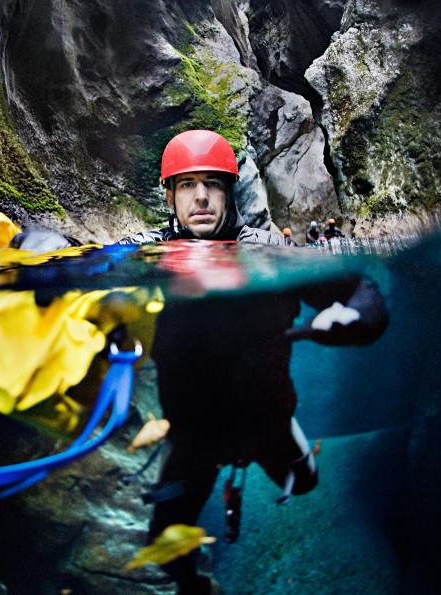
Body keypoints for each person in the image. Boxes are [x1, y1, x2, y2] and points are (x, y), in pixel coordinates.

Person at [116, 130, 388, 594]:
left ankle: (290, 444)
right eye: (186, 185)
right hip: (193, 438)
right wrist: (40, 245)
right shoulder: (146, 252)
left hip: (267, 423)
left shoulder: (265, 251)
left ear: (230, 190)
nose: (200, 197)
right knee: (165, 541)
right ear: (169, 195)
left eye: (213, 184)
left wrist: (356, 319)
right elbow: (88, 258)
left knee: (302, 484)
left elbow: (361, 291)